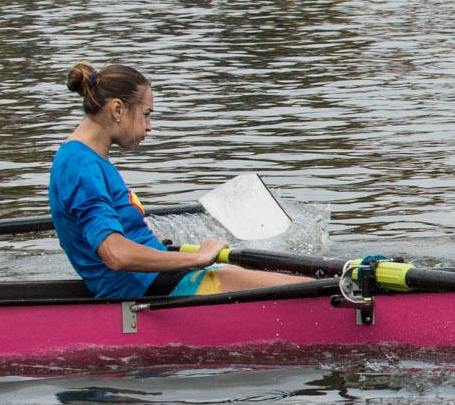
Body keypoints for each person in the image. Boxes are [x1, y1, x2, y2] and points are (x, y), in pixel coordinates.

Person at [48, 63, 301, 300]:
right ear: (117, 109)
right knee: (306, 290)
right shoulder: (79, 166)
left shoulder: (84, 158)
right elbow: (116, 255)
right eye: (146, 115)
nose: (149, 127)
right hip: (143, 287)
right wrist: (199, 258)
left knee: (299, 279)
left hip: (152, 277)